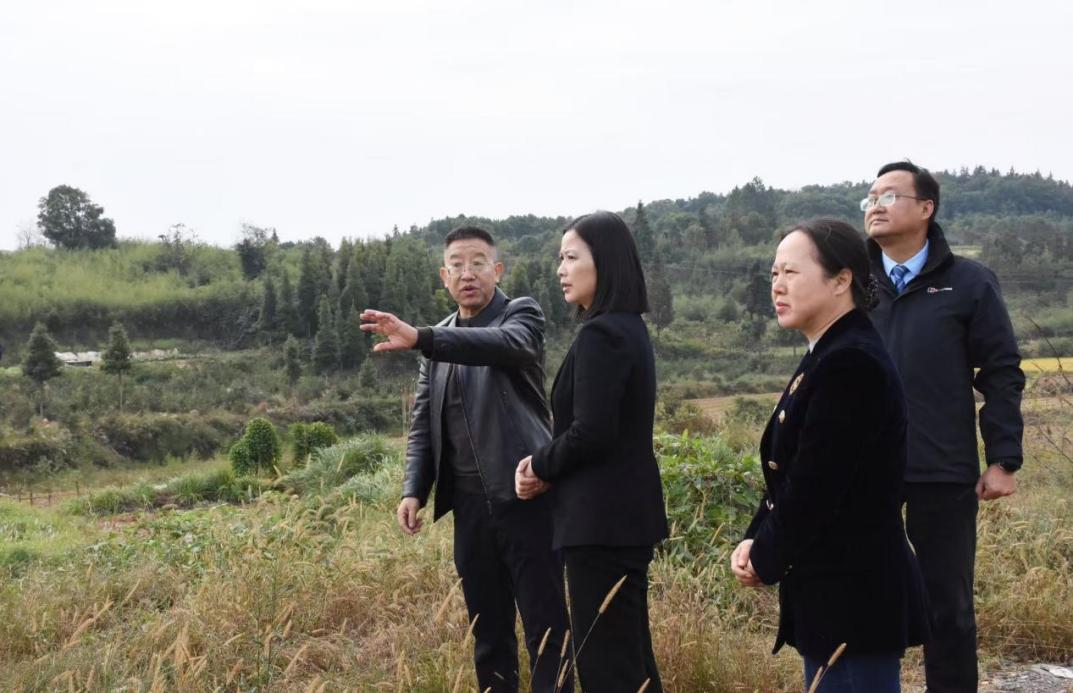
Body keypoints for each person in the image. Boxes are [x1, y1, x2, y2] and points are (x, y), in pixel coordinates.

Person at [360, 226, 570, 693]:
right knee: (488, 633)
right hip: (471, 510)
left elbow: (504, 345)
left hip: (526, 496)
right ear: (444, 276)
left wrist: (422, 337)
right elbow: (422, 423)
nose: (467, 273)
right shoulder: (438, 339)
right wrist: (414, 489)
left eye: (478, 263)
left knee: (547, 631)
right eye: (457, 265)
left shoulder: (521, 315)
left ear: (498, 270)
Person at [731, 218, 929, 692]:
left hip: (855, 592)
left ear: (841, 280)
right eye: (774, 273)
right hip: (831, 591)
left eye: (791, 272)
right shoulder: (829, 351)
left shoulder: (850, 362)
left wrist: (766, 553)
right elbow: (792, 471)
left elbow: (816, 485)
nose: (778, 286)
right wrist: (755, 536)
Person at [862, 161, 1025, 692]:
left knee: (947, 607)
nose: (876, 205)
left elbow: (1001, 371)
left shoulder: (969, 282)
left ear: (926, 208)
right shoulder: (851, 282)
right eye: (870, 197)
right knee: (862, 594)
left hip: (941, 467)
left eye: (890, 196)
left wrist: (1003, 458)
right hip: (862, 470)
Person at [515, 210, 668, 693]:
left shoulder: (602, 334)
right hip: (620, 519)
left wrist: (539, 465)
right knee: (631, 662)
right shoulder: (627, 327)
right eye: (560, 259)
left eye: (570, 257)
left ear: (604, 262)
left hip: (601, 522)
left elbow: (592, 432)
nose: (561, 269)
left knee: (608, 668)